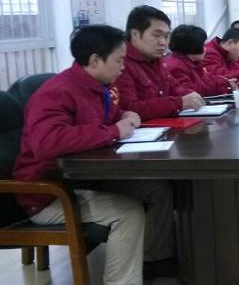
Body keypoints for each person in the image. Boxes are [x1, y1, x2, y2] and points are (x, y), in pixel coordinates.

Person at [13, 25, 175, 284]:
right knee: (128, 213)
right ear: (95, 60)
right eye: (119, 60)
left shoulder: (98, 85)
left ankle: (154, 260)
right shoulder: (56, 93)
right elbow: (47, 142)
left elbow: (102, 118)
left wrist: (123, 115)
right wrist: (113, 131)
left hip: (84, 179)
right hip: (49, 193)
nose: (123, 67)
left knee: (157, 189)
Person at [116, 5, 204, 120]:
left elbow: (174, 87)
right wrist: (178, 103)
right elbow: (130, 108)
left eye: (166, 37)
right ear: (135, 34)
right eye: (156, 35)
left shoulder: (157, 60)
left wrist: (190, 95)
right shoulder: (120, 63)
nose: (163, 42)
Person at [166, 25, 238, 96]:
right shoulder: (176, 67)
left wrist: (225, 82)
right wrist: (224, 84)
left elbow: (208, 79)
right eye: (202, 45)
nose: (205, 48)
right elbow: (193, 91)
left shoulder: (193, 63)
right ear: (192, 46)